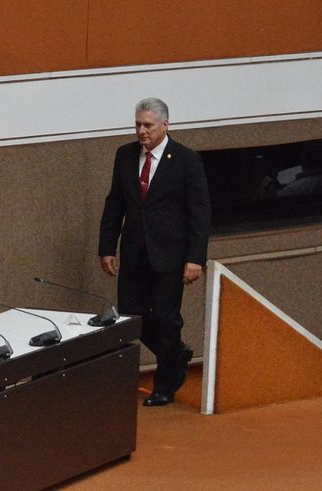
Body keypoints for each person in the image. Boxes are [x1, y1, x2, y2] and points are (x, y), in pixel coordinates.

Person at [98, 97, 211, 407]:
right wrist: (107, 247)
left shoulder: (186, 160)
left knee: (165, 319)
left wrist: (195, 258)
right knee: (131, 316)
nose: (141, 131)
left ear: (165, 125)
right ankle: (175, 354)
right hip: (134, 253)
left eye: (148, 125)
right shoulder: (125, 155)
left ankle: (165, 384)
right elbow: (115, 203)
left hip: (171, 257)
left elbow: (200, 212)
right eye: (137, 124)